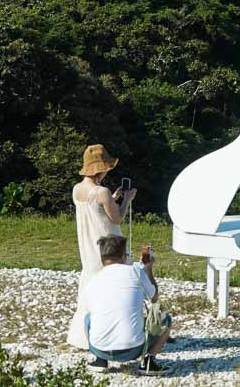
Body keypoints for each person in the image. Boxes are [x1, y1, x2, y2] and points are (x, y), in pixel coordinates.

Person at [67, 144, 135, 350]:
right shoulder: (102, 191)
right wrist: (126, 201)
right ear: (101, 169)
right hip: (108, 244)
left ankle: (82, 336)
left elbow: (93, 209)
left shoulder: (77, 189)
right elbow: (117, 219)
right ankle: (113, 334)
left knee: (90, 285)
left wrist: (112, 200)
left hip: (89, 244)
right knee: (113, 287)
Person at [84, 234, 170, 374]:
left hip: (100, 347)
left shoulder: (93, 279)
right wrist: (148, 269)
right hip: (133, 349)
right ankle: (148, 361)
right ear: (123, 256)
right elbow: (154, 298)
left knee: (88, 318)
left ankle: (100, 360)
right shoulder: (135, 271)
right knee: (165, 319)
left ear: (102, 258)